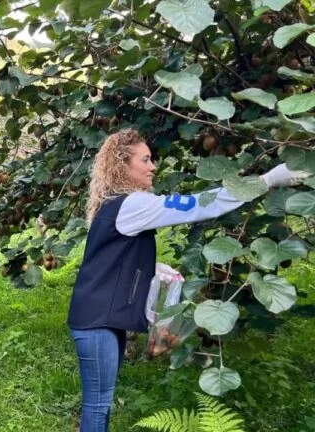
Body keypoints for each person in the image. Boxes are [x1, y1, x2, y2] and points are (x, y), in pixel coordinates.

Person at [66, 128, 309, 432]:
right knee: (98, 405)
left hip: (99, 317)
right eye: (146, 159)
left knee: (100, 401)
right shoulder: (132, 204)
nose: (153, 166)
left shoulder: (114, 203)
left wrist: (151, 265)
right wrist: (266, 181)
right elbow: (199, 204)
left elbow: (108, 258)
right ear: (122, 166)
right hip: (96, 321)